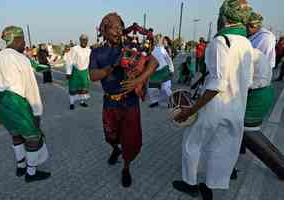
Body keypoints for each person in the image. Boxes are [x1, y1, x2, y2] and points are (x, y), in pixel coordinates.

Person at [172, 1, 254, 199]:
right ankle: (209, 187)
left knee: (193, 142)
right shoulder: (248, 44)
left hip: (214, 105)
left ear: (224, 17)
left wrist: (191, 110)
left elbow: (216, 84)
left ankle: (190, 184)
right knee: (221, 146)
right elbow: (249, 81)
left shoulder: (220, 41)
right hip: (236, 107)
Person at [89, 13, 159, 187]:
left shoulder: (131, 47)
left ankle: (126, 167)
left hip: (130, 103)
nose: (118, 30)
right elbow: (93, 75)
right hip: (110, 103)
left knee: (131, 140)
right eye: (113, 26)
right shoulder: (97, 52)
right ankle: (115, 149)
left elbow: (154, 63)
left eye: (120, 26)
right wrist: (114, 65)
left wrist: (138, 80)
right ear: (103, 30)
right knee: (110, 136)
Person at [0, 26, 51, 182]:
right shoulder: (21, 59)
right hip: (16, 102)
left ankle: (20, 166)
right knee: (33, 138)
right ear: (16, 40)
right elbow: (30, 88)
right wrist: (37, 113)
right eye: (23, 40)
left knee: (16, 134)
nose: (24, 44)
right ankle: (31, 173)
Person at [65, 34, 91, 109]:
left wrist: (89, 74)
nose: (84, 41)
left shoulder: (89, 50)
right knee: (73, 88)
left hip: (84, 72)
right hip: (75, 71)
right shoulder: (74, 49)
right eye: (82, 39)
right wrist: (68, 72)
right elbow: (69, 60)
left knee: (83, 88)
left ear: (87, 41)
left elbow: (90, 62)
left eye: (85, 40)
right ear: (80, 40)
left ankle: (82, 102)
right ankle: (71, 103)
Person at [148, 34, 174, 108]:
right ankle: (154, 101)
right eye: (155, 39)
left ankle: (173, 101)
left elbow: (168, 60)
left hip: (164, 71)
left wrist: (171, 69)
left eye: (158, 39)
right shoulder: (152, 49)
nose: (156, 41)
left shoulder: (163, 49)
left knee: (166, 88)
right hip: (155, 72)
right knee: (152, 88)